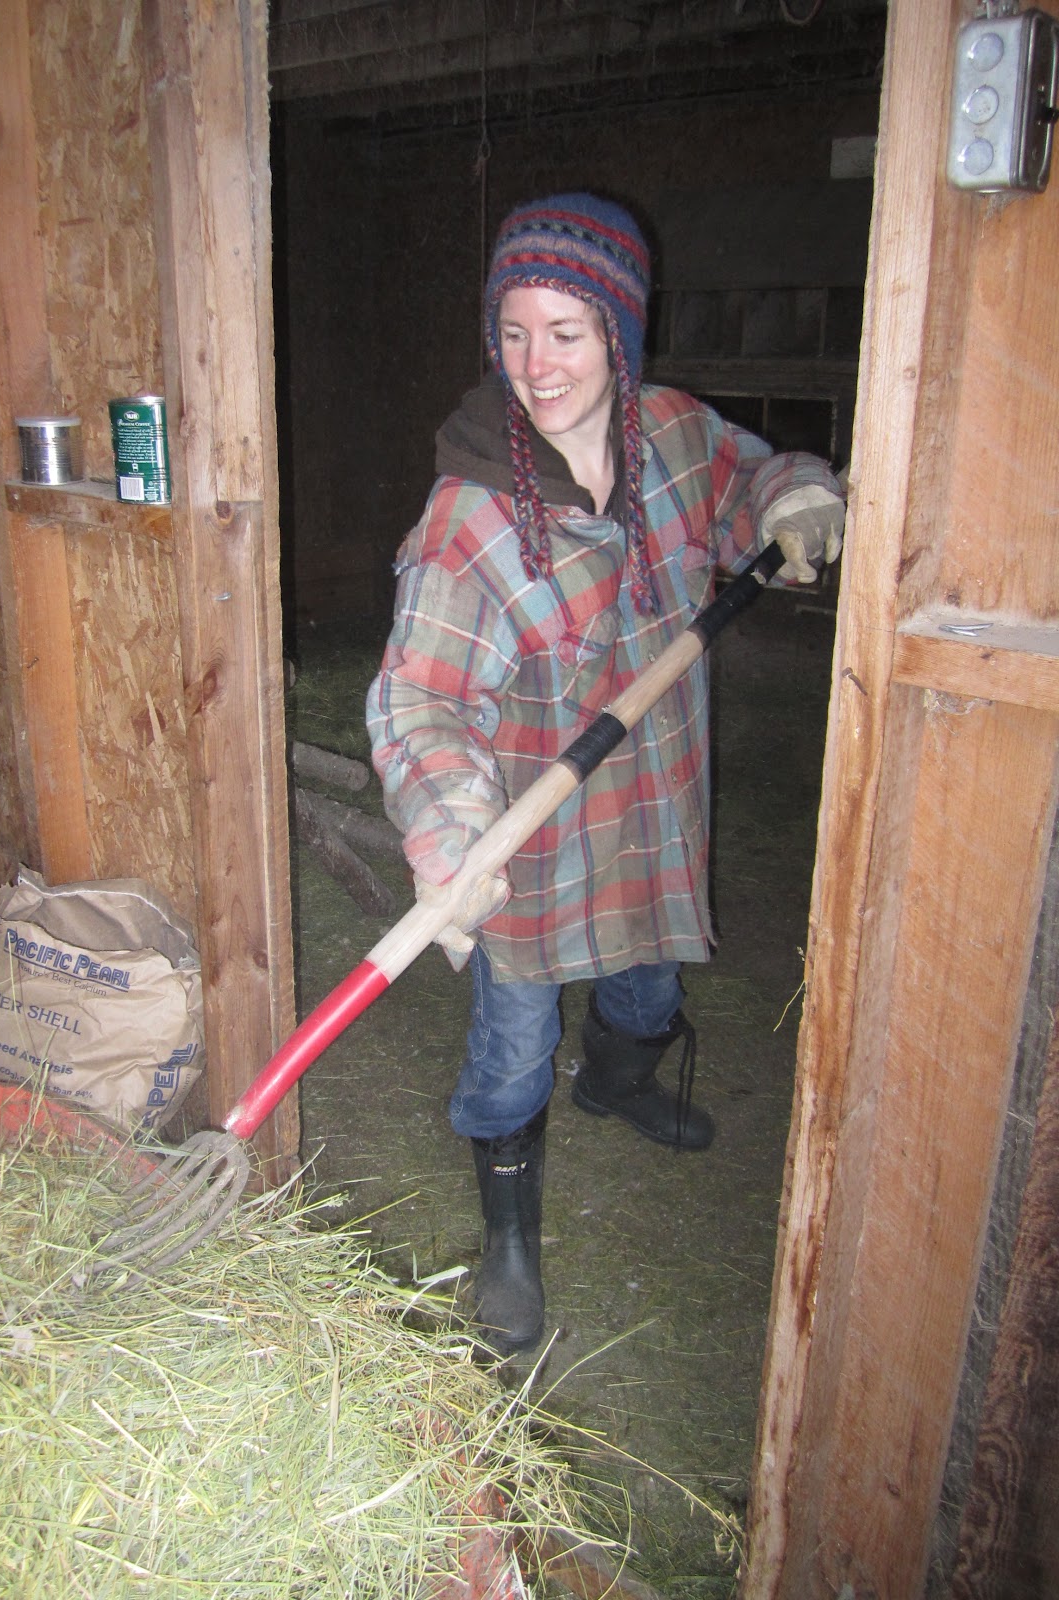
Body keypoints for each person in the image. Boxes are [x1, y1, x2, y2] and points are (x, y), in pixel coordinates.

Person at [365, 193, 844, 1358]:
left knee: (646, 984)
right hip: (531, 837)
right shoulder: (467, 518)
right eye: (515, 332)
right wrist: (451, 834)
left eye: (567, 332)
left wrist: (789, 493)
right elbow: (420, 698)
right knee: (514, 1041)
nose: (538, 365)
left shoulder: (672, 434)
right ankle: (511, 1237)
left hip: (656, 796)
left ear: (620, 337)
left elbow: (743, 482)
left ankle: (621, 1080)